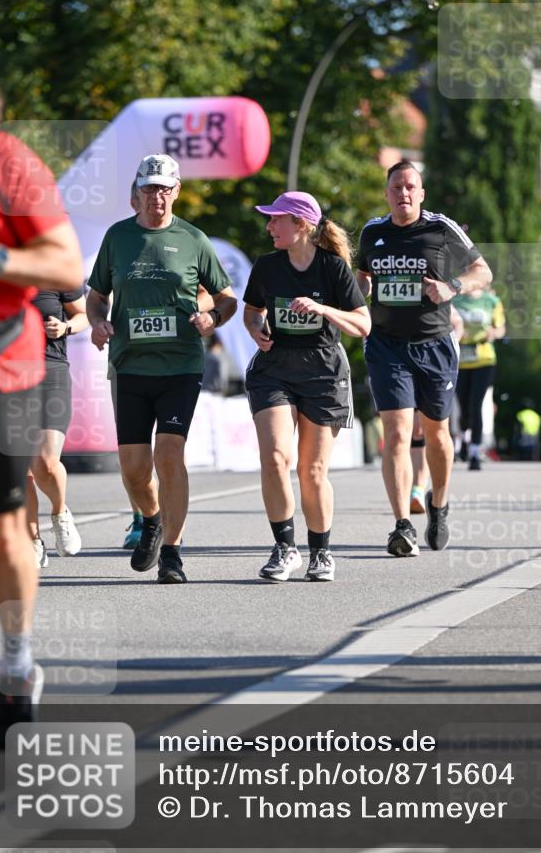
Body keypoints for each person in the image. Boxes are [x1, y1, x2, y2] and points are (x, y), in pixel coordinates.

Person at [0, 30, 83, 746]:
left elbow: (67, 266)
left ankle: (15, 662)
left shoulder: (4, 159)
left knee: (0, 525)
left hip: (1, 363)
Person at [86, 154, 237, 583]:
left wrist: (213, 318)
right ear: (138, 192)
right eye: (149, 188)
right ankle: (151, 518)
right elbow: (96, 297)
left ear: (176, 191)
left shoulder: (193, 239)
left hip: (180, 365)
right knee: (134, 468)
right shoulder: (118, 237)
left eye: (164, 188)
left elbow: (226, 298)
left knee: (168, 454)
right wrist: (98, 323)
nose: (156, 196)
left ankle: (172, 551)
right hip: (130, 366)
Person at [356, 160, 492, 556]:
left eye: (410, 186)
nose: (403, 193)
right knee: (397, 434)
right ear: (387, 193)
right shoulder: (372, 232)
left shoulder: (440, 228)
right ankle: (402, 525)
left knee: (437, 434)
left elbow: (483, 271)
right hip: (386, 345)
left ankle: (439, 504)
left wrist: (452, 286)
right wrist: (359, 291)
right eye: (396, 187)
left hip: (434, 344)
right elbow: (363, 277)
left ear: (421, 193)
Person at [243, 191, 370, 583]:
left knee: (312, 470)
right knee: (275, 457)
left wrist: (323, 309)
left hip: (323, 372)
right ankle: (285, 548)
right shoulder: (267, 266)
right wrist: (256, 330)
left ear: (300, 225)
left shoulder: (333, 268)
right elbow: (252, 311)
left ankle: (321, 552)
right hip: (275, 369)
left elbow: (363, 324)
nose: (269, 226)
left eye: (276, 219)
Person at [27, 286, 88, 567]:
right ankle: (32, 540)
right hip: (6, 374)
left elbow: (83, 315)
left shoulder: (56, 273)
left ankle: (60, 513)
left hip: (51, 371)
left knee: (46, 461)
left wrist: (65, 327)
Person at [410, 306, 464, 514]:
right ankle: (413, 489)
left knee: (422, 430)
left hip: (433, 362)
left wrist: (450, 346)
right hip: (397, 360)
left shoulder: (434, 295)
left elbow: (457, 323)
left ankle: (419, 488)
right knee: (407, 431)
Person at [453, 286, 506, 470]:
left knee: (476, 405)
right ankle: (464, 438)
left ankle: (475, 452)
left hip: (484, 360)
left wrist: (494, 333)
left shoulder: (491, 301)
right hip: (460, 362)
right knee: (463, 407)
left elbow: (501, 329)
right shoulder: (455, 300)